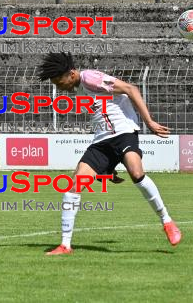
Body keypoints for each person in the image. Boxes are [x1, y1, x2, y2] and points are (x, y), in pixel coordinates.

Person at [37, 52, 181, 255]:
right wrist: (107, 166)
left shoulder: (90, 78)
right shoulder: (79, 89)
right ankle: (65, 245)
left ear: (71, 74)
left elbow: (130, 89)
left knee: (136, 173)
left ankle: (167, 221)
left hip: (123, 133)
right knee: (74, 186)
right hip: (102, 141)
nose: (59, 88)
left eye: (59, 82)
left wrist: (149, 122)